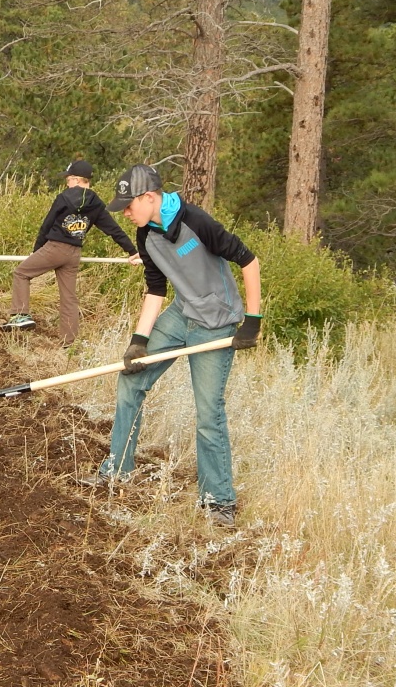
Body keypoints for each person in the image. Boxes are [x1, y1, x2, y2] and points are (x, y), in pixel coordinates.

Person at [84, 164, 262, 529]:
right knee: (130, 379)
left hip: (216, 325)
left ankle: (218, 501)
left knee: (208, 413)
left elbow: (249, 261)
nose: (125, 213)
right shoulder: (145, 235)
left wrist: (253, 321)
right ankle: (117, 469)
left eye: (129, 206)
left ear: (149, 197)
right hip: (182, 315)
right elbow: (155, 288)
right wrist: (139, 341)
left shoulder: (198, 222)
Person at [0, 159, 141, 346]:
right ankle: (68, 342)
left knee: (21, 273)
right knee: (69, 297)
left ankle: (20, 315)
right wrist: (131, 250)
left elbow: (46, 225)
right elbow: (113, 229)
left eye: (68, 179)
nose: (67, 183)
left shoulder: (63, 198)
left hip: (55, 247)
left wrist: (36, 252)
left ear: (76, 179)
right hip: (74, 252)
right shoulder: (97, 203)